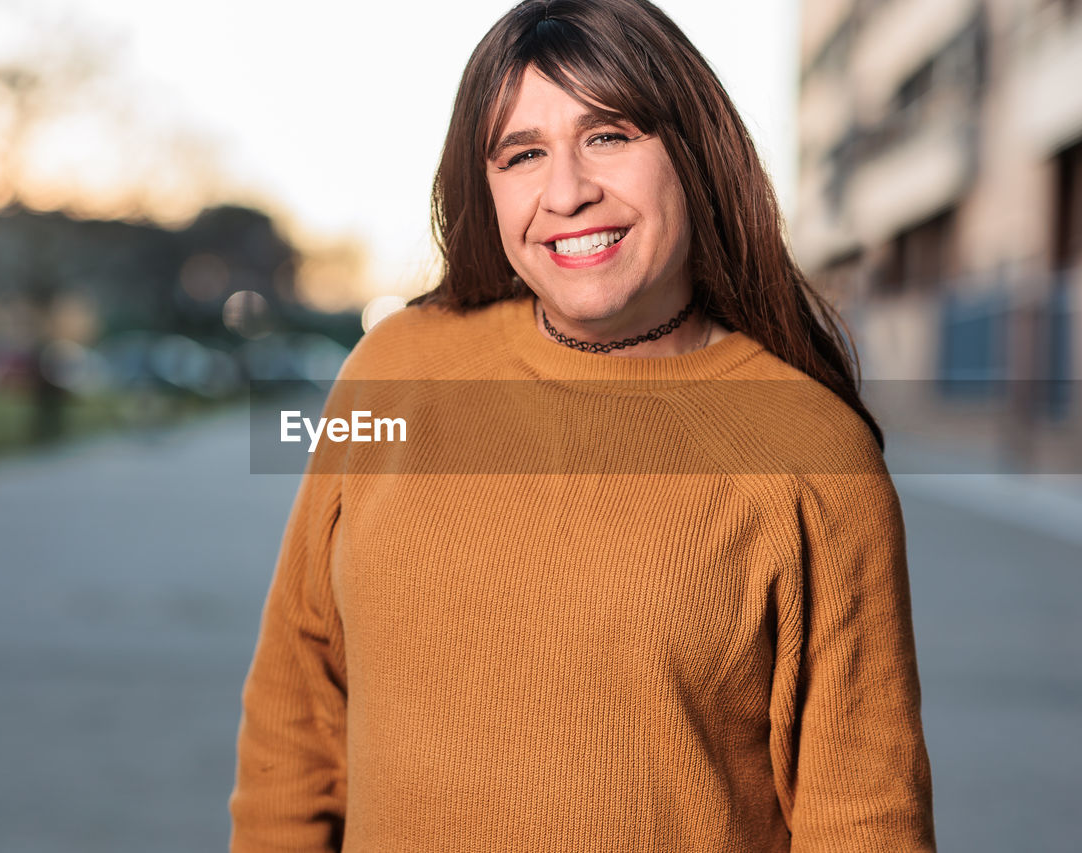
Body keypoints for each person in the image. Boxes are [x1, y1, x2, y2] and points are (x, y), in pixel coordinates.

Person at [229, 0, 935, 850]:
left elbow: (866, 820)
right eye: (523, 154)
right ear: (484, 185)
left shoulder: (813, 454)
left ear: (693, 152)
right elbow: (295, 705)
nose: (566, 192)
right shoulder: (391, 373)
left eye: (609, 136)